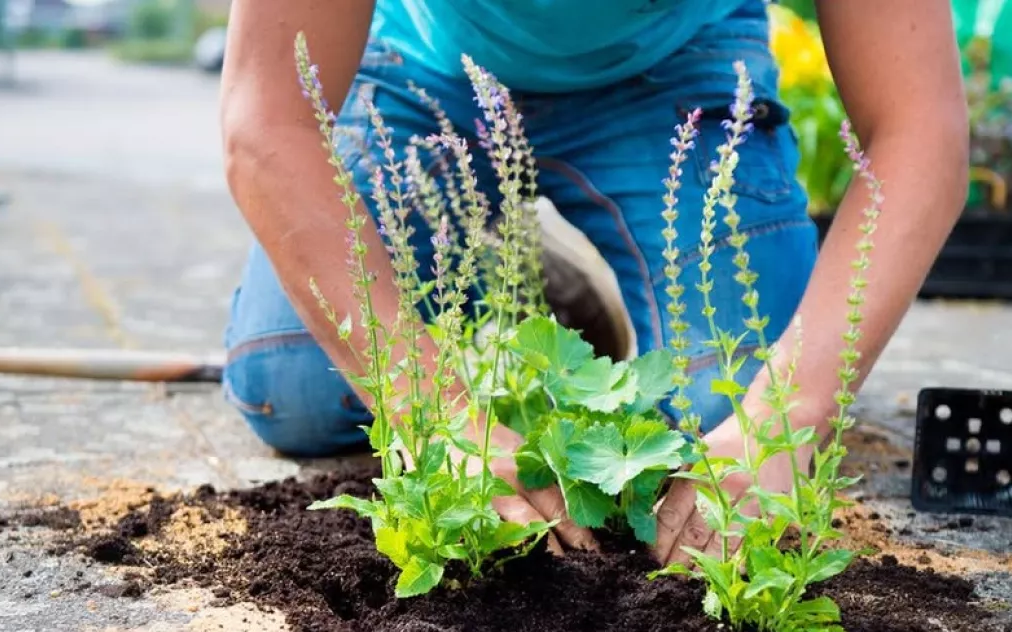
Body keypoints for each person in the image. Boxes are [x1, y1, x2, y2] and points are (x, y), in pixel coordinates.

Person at [219, 0, 969, 566]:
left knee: (727, 406)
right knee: (298, 384)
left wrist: (790, 410)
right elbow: (265, 121)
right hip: (425, 62)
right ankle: (510, 278)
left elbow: (919, 128)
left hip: (673, 64)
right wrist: (433, 409)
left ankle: (543, 300)